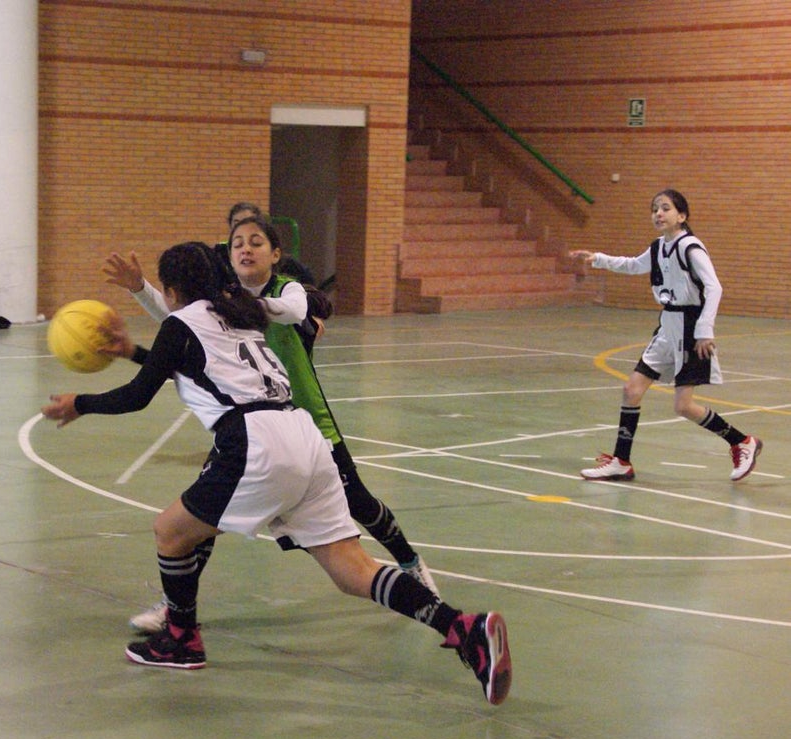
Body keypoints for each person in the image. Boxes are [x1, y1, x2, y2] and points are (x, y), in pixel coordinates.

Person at [43, 242, 511, 705]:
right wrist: (131, 350)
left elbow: (140, 394)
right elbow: (192, 366)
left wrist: (80, 404)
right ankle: (462, 628)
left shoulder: (183, 324)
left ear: (170, 290)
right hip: (304, 438)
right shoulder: (237, 317)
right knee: (353, 572)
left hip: (255, 442)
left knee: (170, 531)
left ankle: (183, 641)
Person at [105, 212, 435, 635]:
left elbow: (289, 311)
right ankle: (176, 610)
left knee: (361, 505)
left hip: (305, 420)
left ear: (276, 254)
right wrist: (141, 293)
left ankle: (411, 564)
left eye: (256, 241)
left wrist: (229, 304)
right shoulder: (220, 300)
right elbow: (183, 330)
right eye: (237, 241)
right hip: (249, 426)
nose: (245, 247)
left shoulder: (286, 292)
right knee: (200, 522)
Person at [570, 189, 762, 482]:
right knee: (631, 390)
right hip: (667, 326)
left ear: (681, 216)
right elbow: (634, 265)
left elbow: (714, 288)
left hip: (690, 328)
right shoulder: (659, 247)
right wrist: (598, 258)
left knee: (683, 406)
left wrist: (704, 330)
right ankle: (621, 461)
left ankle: (741, 441)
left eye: (665, 208)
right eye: (654, 209)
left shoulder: (691, 247)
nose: (658, 213)